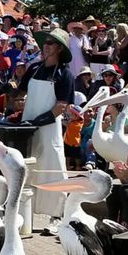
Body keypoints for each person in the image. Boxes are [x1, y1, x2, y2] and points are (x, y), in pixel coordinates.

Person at [20, 27, 75, 234]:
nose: (46, 46)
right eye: (45, 42)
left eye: (51, 43)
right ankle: (23, 213)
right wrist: (9, 90)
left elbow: (61, 106)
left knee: (53, 169)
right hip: (27, 128)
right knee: (26, 169)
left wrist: (39, 121)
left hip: (49, 128)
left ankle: (57, 215)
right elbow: (20, 92)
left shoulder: (65, 75)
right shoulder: (34, 69)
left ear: (59, 49)